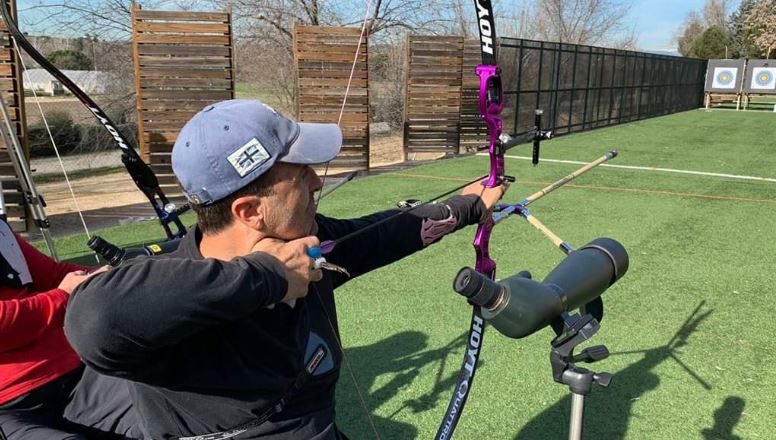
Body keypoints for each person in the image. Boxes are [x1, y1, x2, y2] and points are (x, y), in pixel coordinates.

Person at [64, 99, 508, 439]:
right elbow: (93, 319)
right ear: (251, 210)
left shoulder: (305, 239)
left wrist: (465, 206)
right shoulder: (174, 294)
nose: (318, 181)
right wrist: (268, 277)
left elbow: (378, 234)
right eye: (300, 175)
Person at [0, 221, 140, 440]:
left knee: (161, 413)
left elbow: (53, 275)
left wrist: (111, 275)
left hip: (75, 376)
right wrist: (63, 295)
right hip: (9, 409)